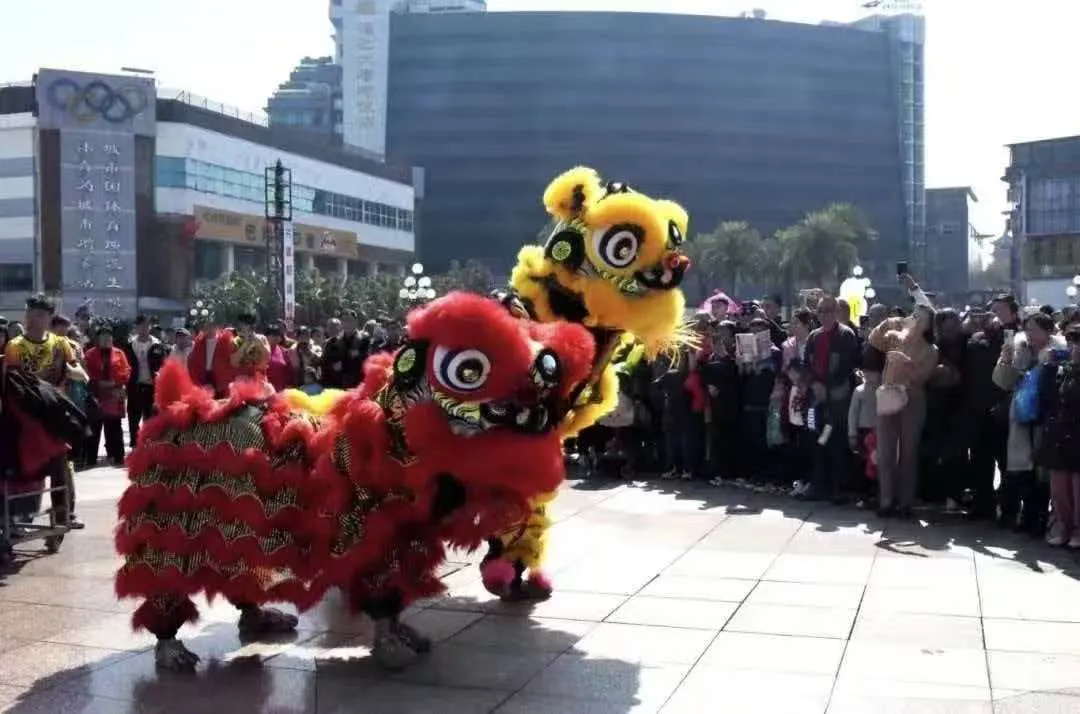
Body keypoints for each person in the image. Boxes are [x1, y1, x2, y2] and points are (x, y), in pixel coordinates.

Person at [3, 294, 87, 529]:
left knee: (62, 466)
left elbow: (79, 372)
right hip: (27, 417)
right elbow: (15, 385)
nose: (32, 319)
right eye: (29, 313)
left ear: (49, 317)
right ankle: (21, 518)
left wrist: (70, 371)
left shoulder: (60, 344)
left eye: (39, 315)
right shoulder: (15, 346)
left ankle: (65, 514)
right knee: (26, 468)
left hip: (55, 414)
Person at [870, 295, 939, 518]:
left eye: (922, 318)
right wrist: (888, 323)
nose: (917, 320)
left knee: (908, 452)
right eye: (915, 315)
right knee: (885, 451)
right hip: (888, 395)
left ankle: (905, 502)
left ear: (928, 325)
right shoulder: (896, 336)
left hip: (912, 398)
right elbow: (874, 340)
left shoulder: (931, 349)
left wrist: (907, 367)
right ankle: (886, 500)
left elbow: (923, 376)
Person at [804, 296, 861, 502]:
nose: (823, 314)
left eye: (827, 310)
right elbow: (807, 364)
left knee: (837, 440)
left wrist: (826, 387)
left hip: (837, 398)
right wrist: (814, 385)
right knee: (818, 438)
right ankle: (819, 485)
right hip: (817, 398)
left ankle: (840, 488)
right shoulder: (814, 336)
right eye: (820, 310)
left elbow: (846, 366)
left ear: (836, 312)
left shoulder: (845, 335)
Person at [1037, 325, 1080, 547]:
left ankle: (1077, 532)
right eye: (1071, 342)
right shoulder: (1061, 370)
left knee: (1077, 487)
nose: (1074, 348)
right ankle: (1063, 528)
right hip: (1060, 435)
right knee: (1059, 487)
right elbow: (1046, 397)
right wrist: (1048, 367)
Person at [84, 322, 132, 467]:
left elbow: (126, 371)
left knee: (114, 427)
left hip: (114, 394)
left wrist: (115, 382)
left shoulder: (119, 353)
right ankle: (90, 458)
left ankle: (117, 456)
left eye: (109, 337)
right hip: (96, 394)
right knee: (94, 427)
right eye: (103, 337)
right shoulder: (90, 354)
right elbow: (85, 372)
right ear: (98, 339)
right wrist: (97, 383)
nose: (106, 339)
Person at [124, 315, 166, 447]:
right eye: (141, 325)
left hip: (152, 386)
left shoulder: (157, 345)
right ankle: (135, 445)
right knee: (133, 418)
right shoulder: (130, 345)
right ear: (136, 327)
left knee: (150, 418)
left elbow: (164, 364)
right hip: (134, 386)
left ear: (150, 327)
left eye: (147, 325)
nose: (144, 328)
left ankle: (149, 446)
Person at [321, 310, 369, 389]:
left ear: (356, 322)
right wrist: (332, 367)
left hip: (358, 387)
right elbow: (324, 364)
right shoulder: (332, 342)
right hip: (337, 386)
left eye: (350, 320)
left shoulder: (364, 342)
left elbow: (367, 363)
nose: (347, 324)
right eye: (344, 321)